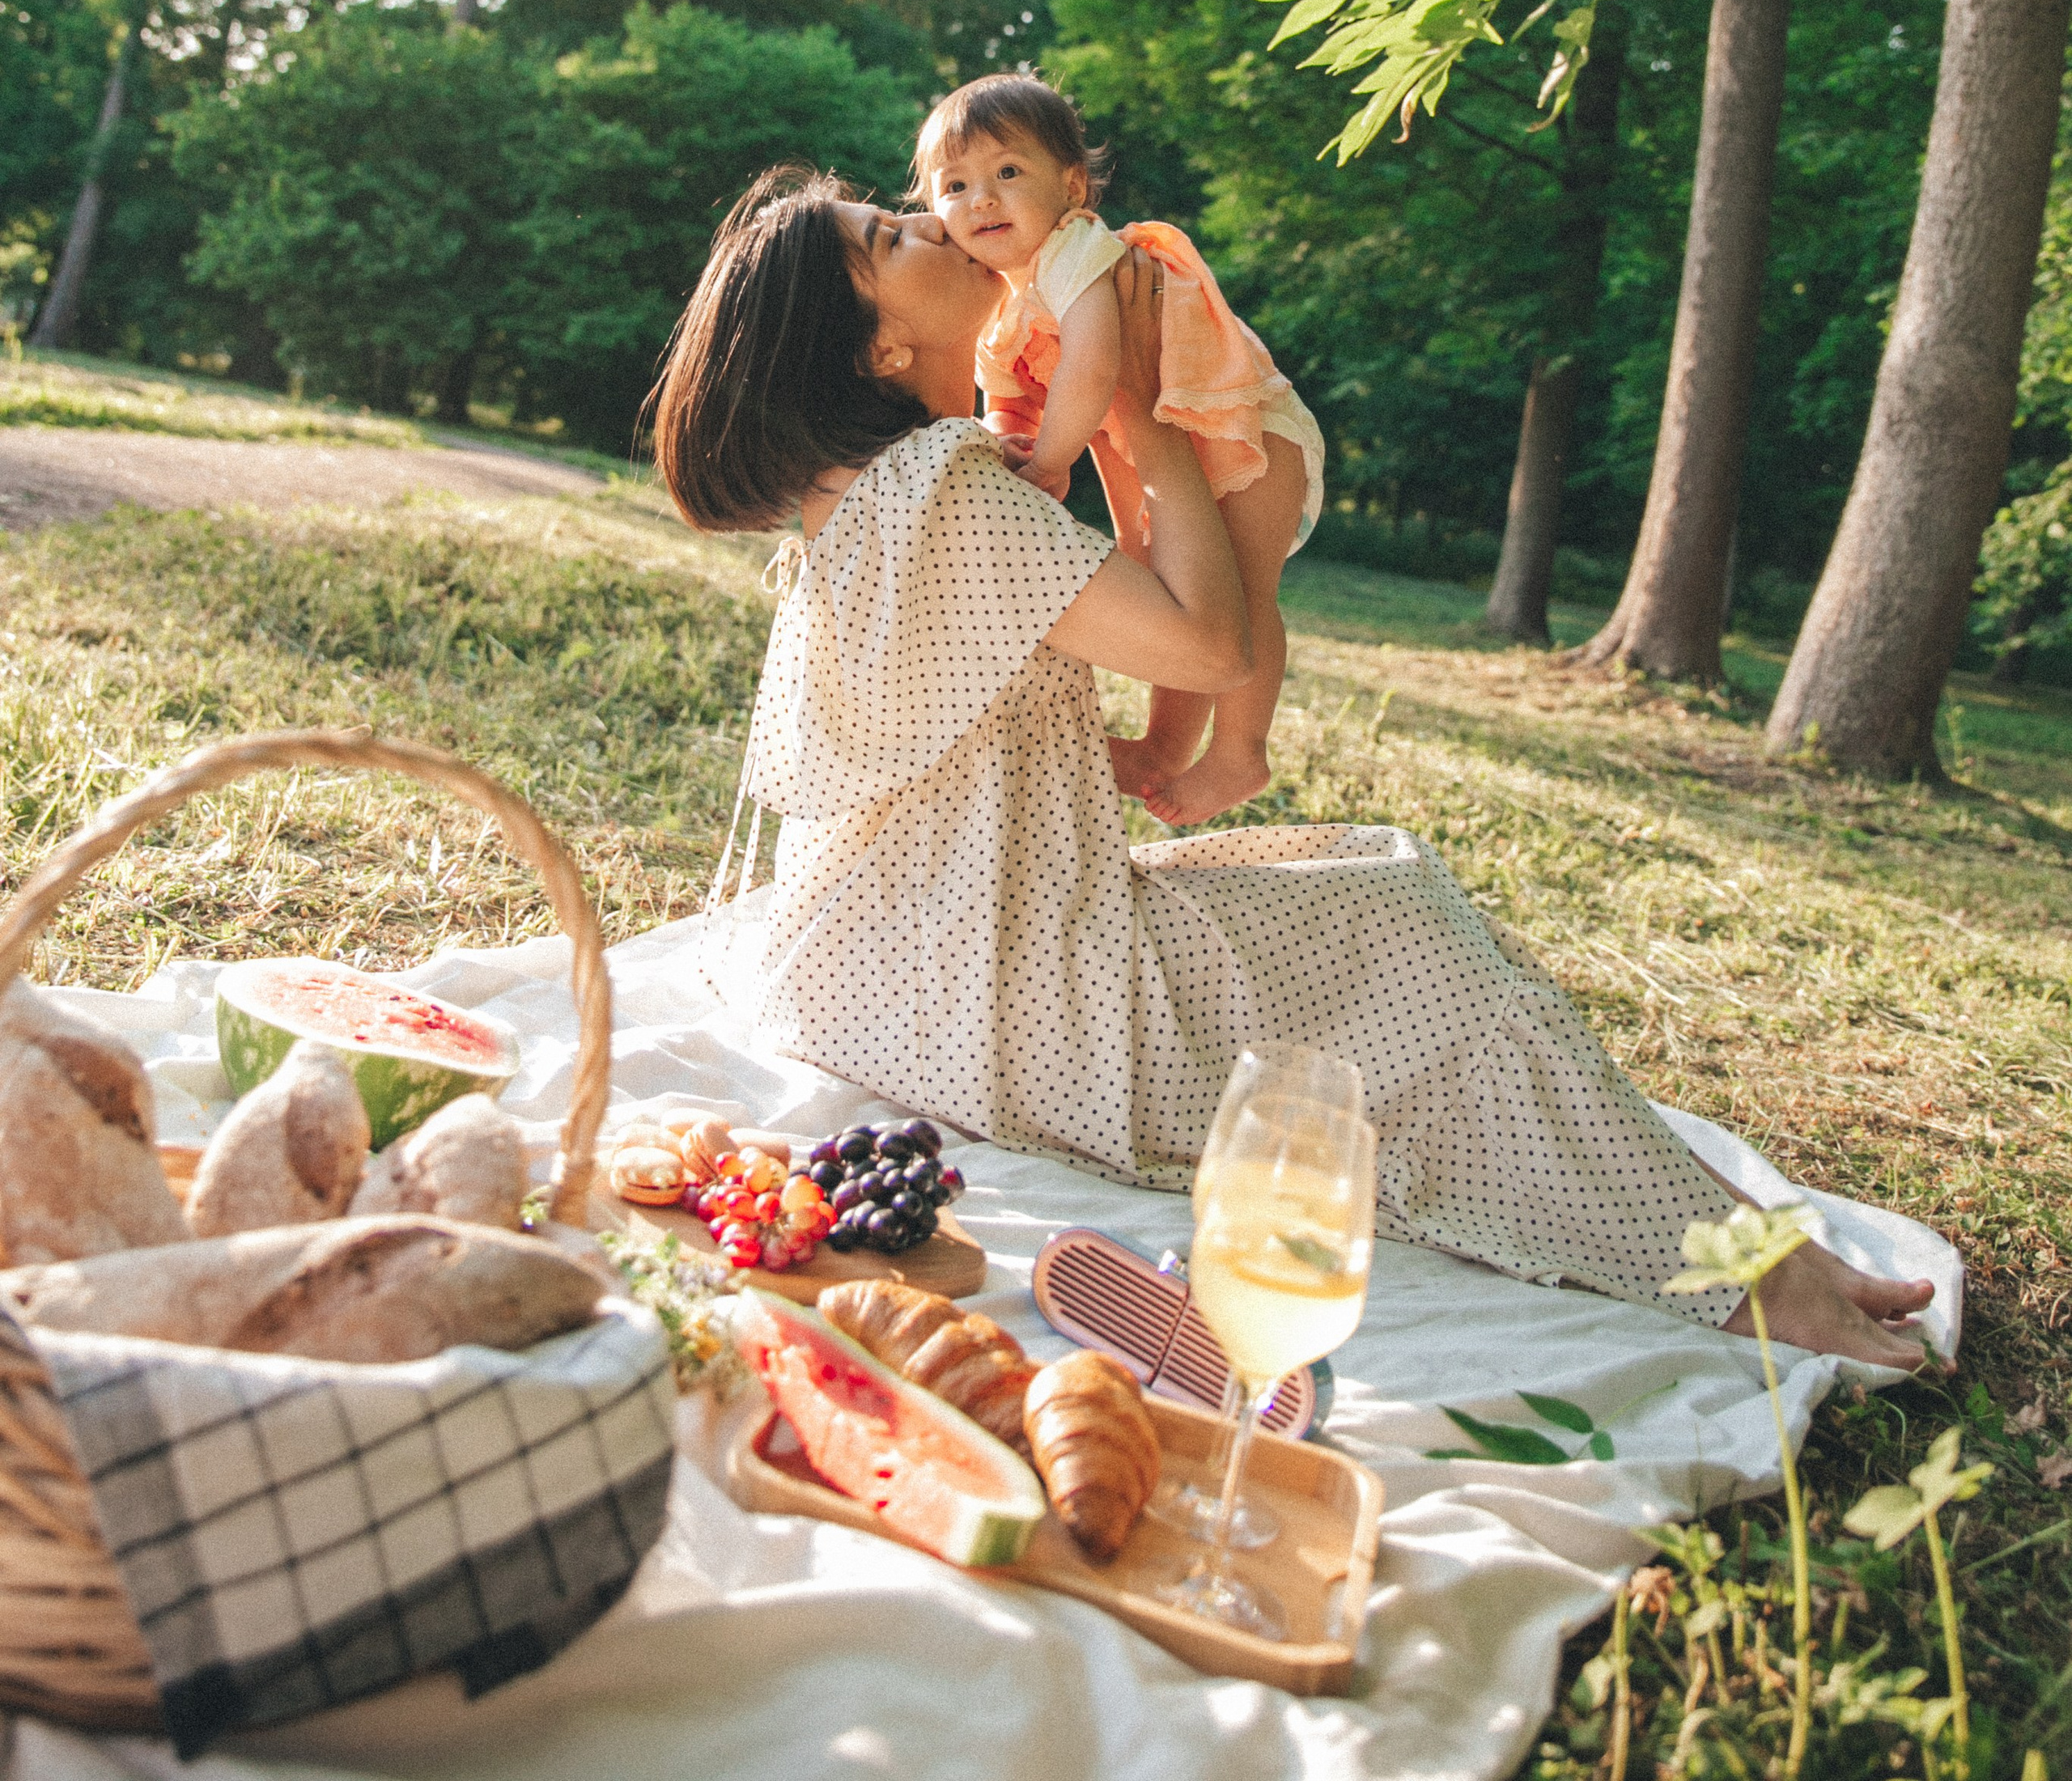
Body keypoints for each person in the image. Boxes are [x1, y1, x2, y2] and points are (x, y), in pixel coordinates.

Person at [652, 164, 1932, 1368]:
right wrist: (1145, 416)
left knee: (1335, 891)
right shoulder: (953, 493)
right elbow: (1213, 648)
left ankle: (1721, 1234)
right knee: (1404, 917)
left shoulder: (853, 494)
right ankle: (1745, 1269)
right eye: (889, 238)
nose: (931, 220)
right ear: (879, 346)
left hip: (866, 966)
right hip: (994, 1013)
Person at [914, 70, 1323, 826]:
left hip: (1249, 428)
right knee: (1168, 579)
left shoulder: (1074, 251)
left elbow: (1097, 364)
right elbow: (1004, 393)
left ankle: (1240, 750)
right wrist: (1009, 443)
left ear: (1071, 186)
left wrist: (1049, 463)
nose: (982, 200)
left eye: (1008, 173)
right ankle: (1166, 749)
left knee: (1241, 587)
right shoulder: (999, 303)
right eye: (955, 185)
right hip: (1165, 443)